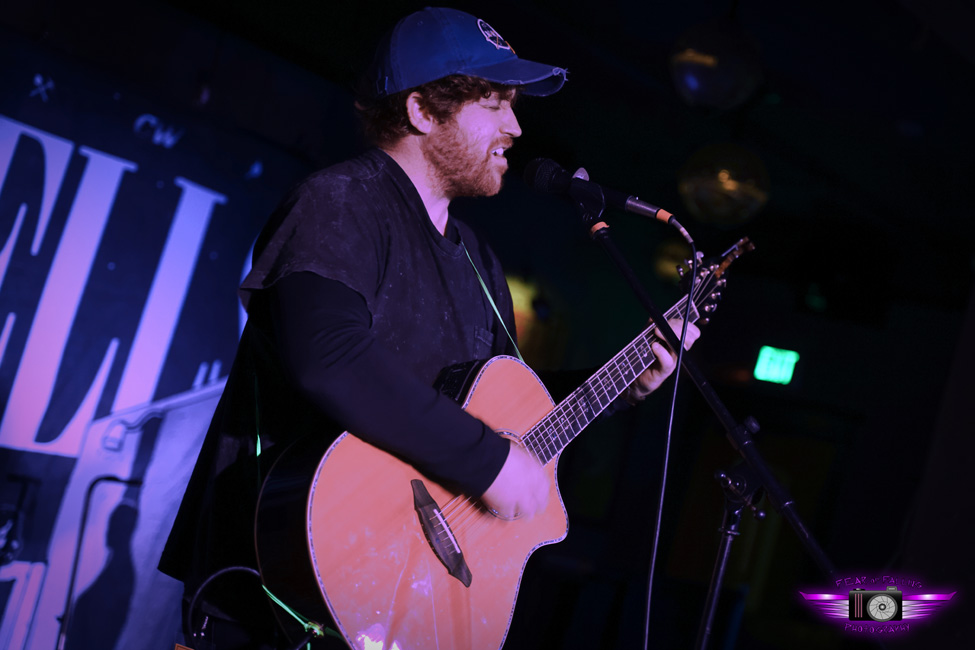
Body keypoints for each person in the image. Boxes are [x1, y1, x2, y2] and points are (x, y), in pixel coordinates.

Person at [159, 7, 699, 649]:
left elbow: (503, 412)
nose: (517, 127)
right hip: (276, 593)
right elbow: (328, 355)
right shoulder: (342, 201)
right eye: (495, 103)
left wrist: (616, 383)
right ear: (421, 111)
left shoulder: (478, 258)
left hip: (392, 604)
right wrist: (489, 460)